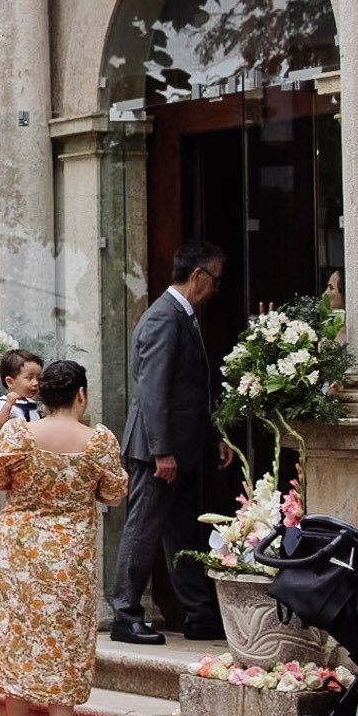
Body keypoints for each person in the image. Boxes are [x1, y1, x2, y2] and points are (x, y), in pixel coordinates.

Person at [0, 359, 130, 716]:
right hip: (70, 551)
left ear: (44, 395)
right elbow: (115, 493)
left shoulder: (17, 432)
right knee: (66, 639)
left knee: (16, 633)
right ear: (81, 395)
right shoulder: (98, 440)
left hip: (18, 548)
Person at [112, 239, 237, 644]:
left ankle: (198, 614)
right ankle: (126, 614)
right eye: (215, 280)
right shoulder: (164, 318)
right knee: (143, 529)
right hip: (157, 452)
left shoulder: (184, 316)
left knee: (181, 533)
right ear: (197, 275)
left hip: (179, 450)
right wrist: (161, 449)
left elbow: (191, 390)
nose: (216, 289)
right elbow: (154, 391)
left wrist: (213, 435)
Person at [0, 348, 45, 430]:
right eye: (29, 378)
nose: (36, 383)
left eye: (38, 378)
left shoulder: (33, 403)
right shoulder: (5, 403)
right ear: (10, 382)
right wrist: (8, 405)